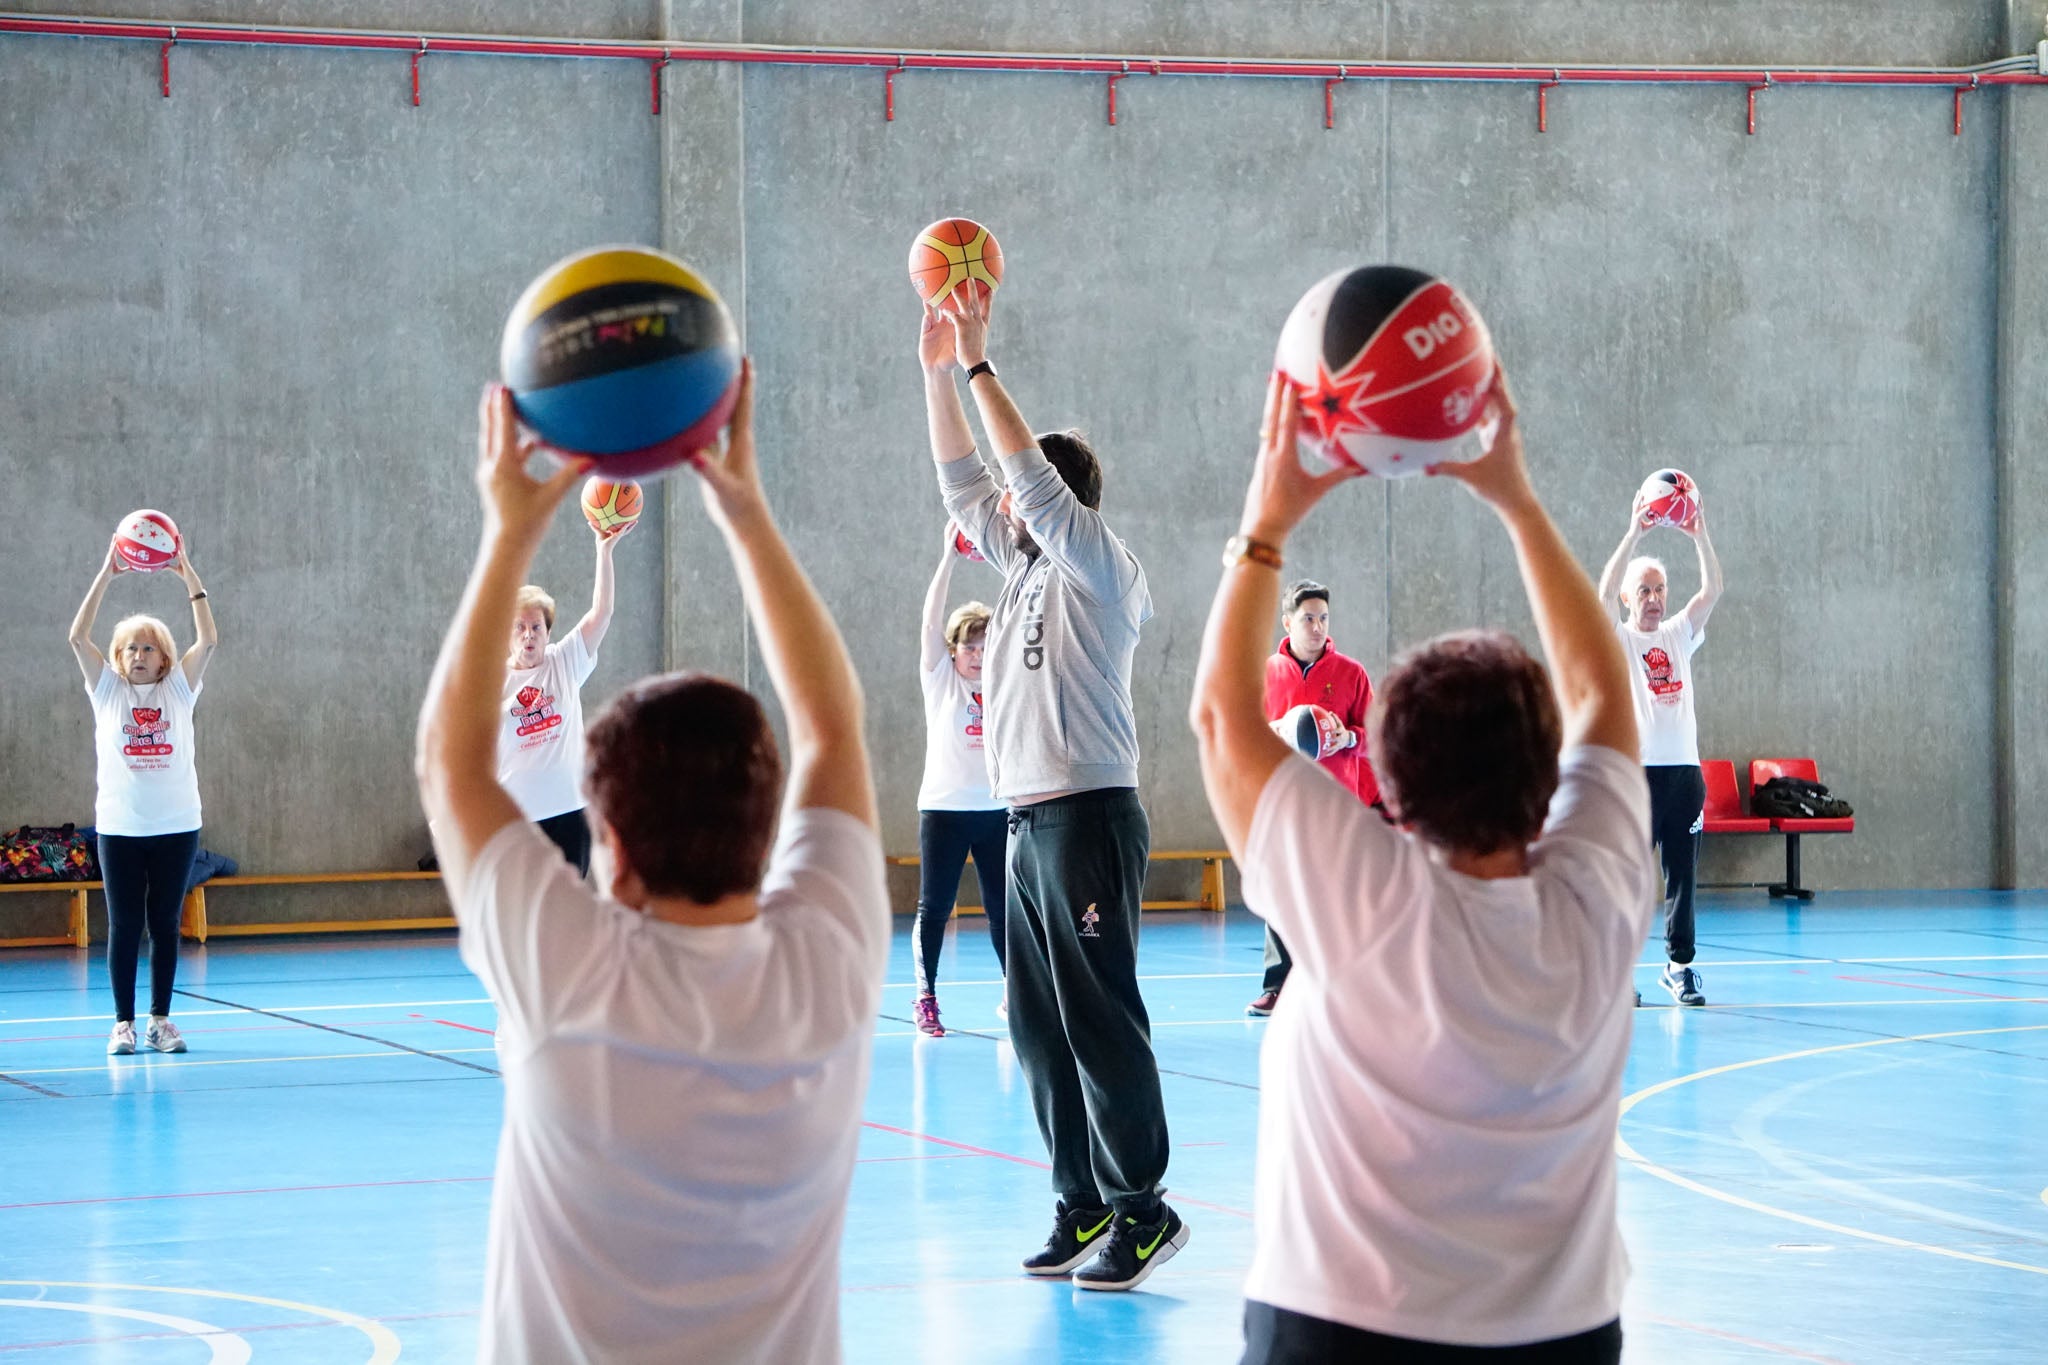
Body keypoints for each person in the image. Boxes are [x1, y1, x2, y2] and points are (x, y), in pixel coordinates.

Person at [416, 364, 887, 1363]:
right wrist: (747, 515)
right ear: (768, 831)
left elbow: (446, 763)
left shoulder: (570, 973)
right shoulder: (831, 964)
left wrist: (508, 529)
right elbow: (835, 728)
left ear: (611, 848)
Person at [1189, 367, 1653, 1363]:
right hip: (1560, 1336)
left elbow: (1220, 721)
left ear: (1388, 794)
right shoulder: (1601, 891)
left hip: (1337, 1328)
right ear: (1547, 776)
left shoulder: (1364, 895)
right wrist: (1514, 498)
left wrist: (1269, 516)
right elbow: (1603, 693)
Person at [920, 285, 1186, 1291]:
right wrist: (933, 367)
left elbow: (1019, 484)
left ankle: (1141, 1210)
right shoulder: (1024, 571)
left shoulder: (1093, 564)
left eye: (1019, 495)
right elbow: (960, 488)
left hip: (1086, 816)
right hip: (1022, 820)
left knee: (1098, 1015)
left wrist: (981, 364)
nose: (998, 504)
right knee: (1036, 1026)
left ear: (1056, 503)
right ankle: (1079, 1204)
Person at [69, 538, 219, 1056]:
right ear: (118, 658)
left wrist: (186, 574)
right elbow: (76, 636)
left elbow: (210, 638)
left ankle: (160, 1021)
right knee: (125, 924)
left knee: (164, 923)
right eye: (130, 647)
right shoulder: (106, 691)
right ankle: (123, 1024)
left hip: (177, 825)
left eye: (148, 647)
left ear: (164, 660)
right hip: (120, 827)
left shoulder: (179, 689)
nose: (138, 654)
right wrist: (108, 571)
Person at [1595, 486, 1723, 1007]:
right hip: (1635, 777)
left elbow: (1713, 588)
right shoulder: (1620, 639)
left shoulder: (1678, 634)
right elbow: (1601, 594)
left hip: (1684, 777)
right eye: (1644, 591)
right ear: (1630, 599)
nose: (1654, 598)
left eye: (1660, 588)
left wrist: (1699, 534)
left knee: (1683, 878)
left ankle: (1680, 967)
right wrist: (1633, 532)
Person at [1247, 579, 1381, 1017]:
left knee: (1336, 895)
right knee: (1281, 891)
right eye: (1308, 618)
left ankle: (1343, 985)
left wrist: (1347, 736)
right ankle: (1277, 986)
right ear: (1288, 623)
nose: (1317, 626)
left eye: (1323, 618)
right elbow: (1247, 734)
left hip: (1336, 804)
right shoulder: (1265, 673)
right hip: (1285, 800)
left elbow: (1376, 738)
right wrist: (1275, 733)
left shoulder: (1351, 674)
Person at [911, 522, 1007, 1037]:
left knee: (1003, 911)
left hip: (996, 810)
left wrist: (1000, 555)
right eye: (969, 645)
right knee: (935, 908)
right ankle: (926, 997)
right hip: (945, 810)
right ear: (953, 651)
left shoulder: (1003, 680)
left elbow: (1018, 622)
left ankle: (1016, 993)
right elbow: (929, 623)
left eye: (985, 645)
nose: (977, 653)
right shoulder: (940, 679)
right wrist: (948, 557)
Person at [496, 507, 627, 876]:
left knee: (566, 915)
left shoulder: (564, 662)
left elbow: (601, 613)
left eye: (536, 627)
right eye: (520, 627)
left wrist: (604, 551)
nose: (529, 635)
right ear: (507, 636)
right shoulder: (493, 683)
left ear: (548, 632)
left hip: (569, 811)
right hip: (518, 817)